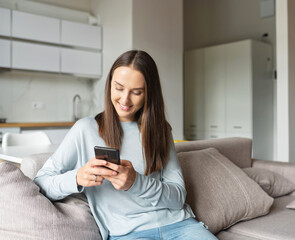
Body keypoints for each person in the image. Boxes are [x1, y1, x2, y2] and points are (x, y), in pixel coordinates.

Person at [34, 50, 218, 240]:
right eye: (119, 88)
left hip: (180, 225)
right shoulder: (85, 129)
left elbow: (178, 198)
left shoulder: (161, 130)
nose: (125, 100)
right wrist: (77, 177)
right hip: (128, 233)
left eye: (136, 92)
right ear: (110, 84)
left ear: (149, 94)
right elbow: (40, 182)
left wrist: (136, 182)